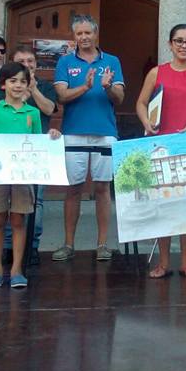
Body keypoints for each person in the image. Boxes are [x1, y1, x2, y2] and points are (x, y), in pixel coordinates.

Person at [136, 24, 186, 279]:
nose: (184, 45)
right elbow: (141, 102)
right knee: (164, 205)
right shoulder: (156, 73)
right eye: (179, 41)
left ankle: (185, 261)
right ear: (170, 44)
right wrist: (146, 122)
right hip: (162, 144)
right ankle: (163, 262)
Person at [0, 62, 61, 289]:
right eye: (12, 81)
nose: (17, 85)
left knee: (18, 220)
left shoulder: (32, 112)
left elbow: (37, 142)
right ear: (3, 84)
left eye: (22, 81)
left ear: (28, 85)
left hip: (22, 177)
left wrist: (51, 135)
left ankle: (16, 270)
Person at [52, 15, 124, 262]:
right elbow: (61, 97)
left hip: (105, 133)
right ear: (74, 36)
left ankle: (102, 244)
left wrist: (107, 87)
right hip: (73, 132)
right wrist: (85, 86)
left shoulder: (112, 61)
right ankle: (68, 244)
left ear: (96, 34)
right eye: (79, 34)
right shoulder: (65, 62)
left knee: (103, 188)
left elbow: (120, 98)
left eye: (87, 33)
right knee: (73, 189)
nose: (83, 37)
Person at [0, 45, 57, 266]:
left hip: (34, 153)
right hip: (5, 155)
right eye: (22, 62)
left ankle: (32, 245)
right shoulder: (3, 88)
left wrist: (34, 90)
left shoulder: (46, 87)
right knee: (4, 204)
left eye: (31, 61)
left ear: (36, 65)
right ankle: (7, 248)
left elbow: (49, 110)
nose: (27, 65)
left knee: (34, 201)